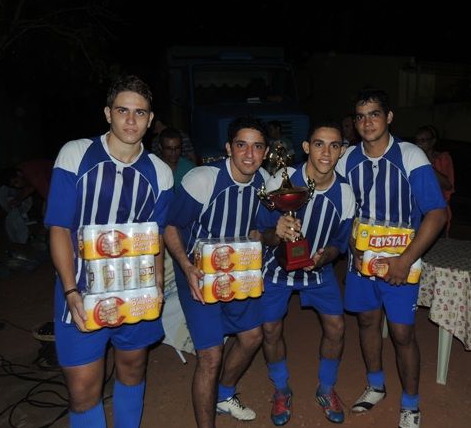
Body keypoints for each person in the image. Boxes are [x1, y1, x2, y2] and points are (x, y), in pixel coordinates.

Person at [44, 75, 174, 427]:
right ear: (107, 113)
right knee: (83, 389)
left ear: (150, 119)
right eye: (122, 111)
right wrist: (69, 289)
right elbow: (59, 227)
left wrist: (157, 285)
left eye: (140, 112)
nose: (131, 120)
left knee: (132, 368)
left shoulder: (161, 173)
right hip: (82, 291)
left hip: (137, 291)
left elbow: (156, 236)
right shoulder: (76, 154)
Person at [335, 88, 447, 428]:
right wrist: (352, 247)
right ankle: (375, 386)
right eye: (360, 116)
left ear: (389, 117)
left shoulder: (410, 155)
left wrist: (404, 261)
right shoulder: (347, 159)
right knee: (367, 322)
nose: (367, 122)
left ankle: (410, 404)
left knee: (401, 333)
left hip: (402, 262)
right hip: (362, 262)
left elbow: (437, 213)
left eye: (374, 114)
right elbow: (344, 211)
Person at [163, 116, 269, 427]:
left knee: (252, 337)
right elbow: (170, 226)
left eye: (257, 147)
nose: (249, 154)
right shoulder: (202, 180)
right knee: (211, 356)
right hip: (198, 273)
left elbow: (256, 228)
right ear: (228, 148)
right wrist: (186, 267)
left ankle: (223, 395)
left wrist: (263, 237)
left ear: (265, 152)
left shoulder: (264, 182)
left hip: (237, 272)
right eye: (241, 145)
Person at [257, 120, 355, 425]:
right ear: (306, 147)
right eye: (319, 144)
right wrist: (277, 233)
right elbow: (261, 233)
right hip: (277, 268)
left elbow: (340, 243)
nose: (326, 152)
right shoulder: (282, 180)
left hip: (318, 270)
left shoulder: (345, 193)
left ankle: (326, 388)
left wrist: (327, 256)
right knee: (270, 329)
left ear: (342, 151)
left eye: (334, 145)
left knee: (336, 327)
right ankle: (281, 389)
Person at [415, 125, 455, 236]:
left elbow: (448, 185)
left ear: (433, 142)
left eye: (423, 140)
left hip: (436, 210)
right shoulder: (413, 158)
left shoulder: (442, 158)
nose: (419, 144)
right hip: (417, 211)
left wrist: (426, 165)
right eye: (417, 140)